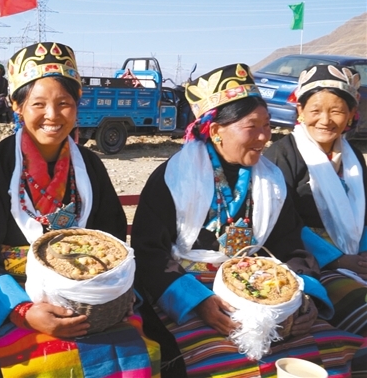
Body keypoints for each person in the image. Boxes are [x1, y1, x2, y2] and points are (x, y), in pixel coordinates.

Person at [131, 63, 364, 377]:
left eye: (267, 125)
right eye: (252, 127)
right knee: (227, 363)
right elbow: (149, 253)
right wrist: (198, 302)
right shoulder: (174, 178)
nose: (264, 137)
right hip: (192, 287)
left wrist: (304, 295)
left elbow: (290, 244)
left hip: (263, 283)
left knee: (324, 348)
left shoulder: (270, 180)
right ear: (216, 131)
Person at [0, 42, 161, 377]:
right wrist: (22, 311)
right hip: (15, 292)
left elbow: (111, 240)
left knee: (137, 348)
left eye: (64, 104)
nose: (53, 116)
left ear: (77, 106)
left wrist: (108, 293)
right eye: (39, 104)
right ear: (18, 106)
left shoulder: (91, 167)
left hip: (90, 297)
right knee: (53, 358)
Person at [265, 66, 367, 340]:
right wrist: (335, 259)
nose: (326, 120)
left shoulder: (353, 157)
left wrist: (363, 253)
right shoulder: (282, 157)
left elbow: (364, 214)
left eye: (336, 111)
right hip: (309, 265)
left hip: (355, 257)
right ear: (300, 112)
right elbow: (281, 226)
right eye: (315, 110)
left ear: (350, 115)